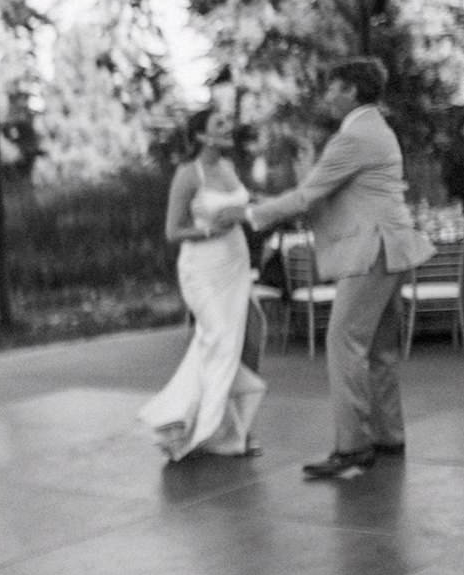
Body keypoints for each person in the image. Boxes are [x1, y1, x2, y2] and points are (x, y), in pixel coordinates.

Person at [212, 57, 433, 479]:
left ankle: (352, 448)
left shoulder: (354, 136)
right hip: (390, 248)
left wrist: (247, 213)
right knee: (380, 348)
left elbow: (306, 196)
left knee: (342, 342)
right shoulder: (375, 130)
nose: (327, 96)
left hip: (371, 251)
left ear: (351, 90)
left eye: (333, 88)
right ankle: (389, 436)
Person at [139, 107, 267, 461]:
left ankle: (234, 424)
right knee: (220, 343)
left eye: (227, 123)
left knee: (249, 337)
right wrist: (210, 228)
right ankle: (203, 429)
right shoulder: (187, 174)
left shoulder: (227, 168)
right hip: (204, 271)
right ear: (200, 136)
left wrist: (259, 209)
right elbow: (172, 231)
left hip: (236, 264)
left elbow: (243, 208)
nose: (228, 128)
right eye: (219, 124)